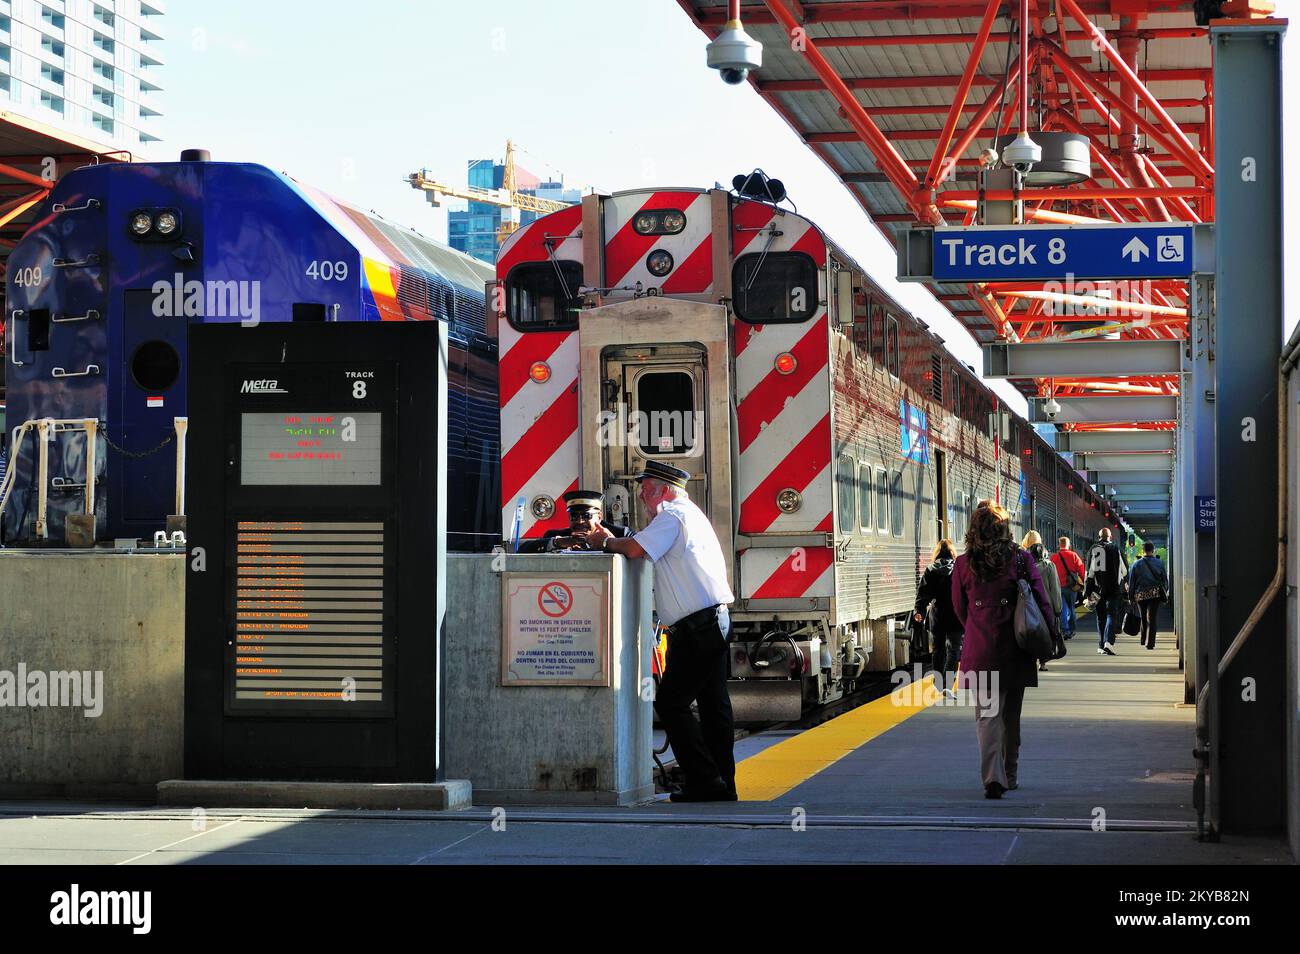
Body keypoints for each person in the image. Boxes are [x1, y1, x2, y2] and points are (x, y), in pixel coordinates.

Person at [584, 461, 737, 803]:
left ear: (666, 490)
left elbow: (636, 550)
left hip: (699, 627)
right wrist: (617, 540)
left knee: (671, 703)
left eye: (646, 487)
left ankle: (704, 781)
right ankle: (723, 784)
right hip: (713, 622)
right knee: (714, 708)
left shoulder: (672, 515)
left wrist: (605, 545)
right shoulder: (685, 515)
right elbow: (639, 543)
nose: (640, 493)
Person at [951, 501, 1055, 799]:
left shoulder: (962, 564)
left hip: (980, 648)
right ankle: (1010, 774)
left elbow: (960, 610)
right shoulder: (1021, 559)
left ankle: (992, 778)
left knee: (987, 716)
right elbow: (1041, 600)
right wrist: (1048, 636)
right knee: (1011, 716)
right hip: (1016, 648)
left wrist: (977, 627)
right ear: (1004, 528)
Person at [913, 539, 962, 696]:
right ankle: (948, 684)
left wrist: (919, 610)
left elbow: (923, 593)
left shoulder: (930, 570)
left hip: (937, 616)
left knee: (938, 650)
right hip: (955, 615)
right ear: (952, 553)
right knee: (953, 651)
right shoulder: (958, 569)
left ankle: (939, 683)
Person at [516, 489, 632, 553]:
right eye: (574, 517)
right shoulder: (557, 536)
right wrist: (559, 543)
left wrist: (610, 542)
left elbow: (640, 549)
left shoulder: (620, 534)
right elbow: (521, 552)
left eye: (586, 516)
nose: (580, 522)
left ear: (599, 516)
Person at [1021, 531, 1062, 672]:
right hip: (1046, 605)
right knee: (1045, 633)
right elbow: (1055, 589)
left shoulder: (1021, 563)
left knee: (1030, 632)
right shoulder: (1048, 565)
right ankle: (1043, 661)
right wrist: (1058, 608)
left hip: (1028, 605)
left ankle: (1029, 659)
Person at [1084, 528, 1128, 655]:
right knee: (1111, 615)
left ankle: (1102, 645)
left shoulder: (1095, 549)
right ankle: (1109, 642)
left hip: (1098, 589)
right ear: (1110, 537)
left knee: (1100, 617)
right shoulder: (1116, 549)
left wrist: (1087, 591)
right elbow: (1124, 571)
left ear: (1099, 537)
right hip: (1114, 589)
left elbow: (1090, 573)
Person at [1126, 541, 1170, 650]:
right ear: (1153, 550)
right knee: (1152, 618)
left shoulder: (1136, 564)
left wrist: (1131, 597)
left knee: (1143, 617)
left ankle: (1142, 639)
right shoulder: (1159, 563)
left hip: (1140, 594)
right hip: (1155, 594)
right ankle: (1150, 643)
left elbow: (1132, 582)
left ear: (1143, 550)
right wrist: (1165, 591)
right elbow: (1165, 580)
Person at [1050, 535, 1086, 640]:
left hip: (1059, 587)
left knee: (1063, 609)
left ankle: (1065, 630)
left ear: (1059, 545)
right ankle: (1072, 630)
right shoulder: (1074, 555)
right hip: (1072, 587)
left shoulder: (1054, 557)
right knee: (1072, 608)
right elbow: (1081, 570)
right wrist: (1082, 582)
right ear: (1069, 545)